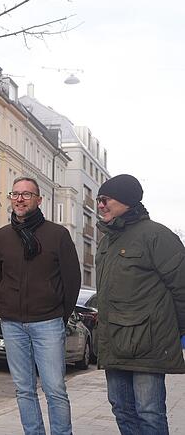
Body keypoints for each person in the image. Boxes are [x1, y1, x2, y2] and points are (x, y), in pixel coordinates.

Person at [95, 174, 185, 435]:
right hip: (115, 341)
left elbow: (181, 287)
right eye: (99, 199)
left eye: (105, 199)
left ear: (126, 200)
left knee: (149, 412)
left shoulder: (157, 235)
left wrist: (175, 331)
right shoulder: (106, 241)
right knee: (121, 407)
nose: (100, 205)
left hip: (149, 343)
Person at [0, 177, 81, 435]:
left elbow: (72, 280)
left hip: (48, 322)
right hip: (12, 323)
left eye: (26, 195)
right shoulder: (0, 237)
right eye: (15, 194)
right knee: (23, 389)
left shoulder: (58, 235)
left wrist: (58, 315)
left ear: (39, 200)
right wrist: (9, 302)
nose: (19, 199)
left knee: (55, 388)